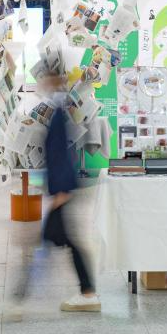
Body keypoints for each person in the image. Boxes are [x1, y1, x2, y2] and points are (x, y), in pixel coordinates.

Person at [41, 68, 101, 312]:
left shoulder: (58, 111)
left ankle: (88, 294)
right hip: (61, 188)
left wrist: (61, 192)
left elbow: (59, 153)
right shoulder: (61, 107)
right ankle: (87, 292)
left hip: (62, 190)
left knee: (61, 240)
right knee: (59, 240)